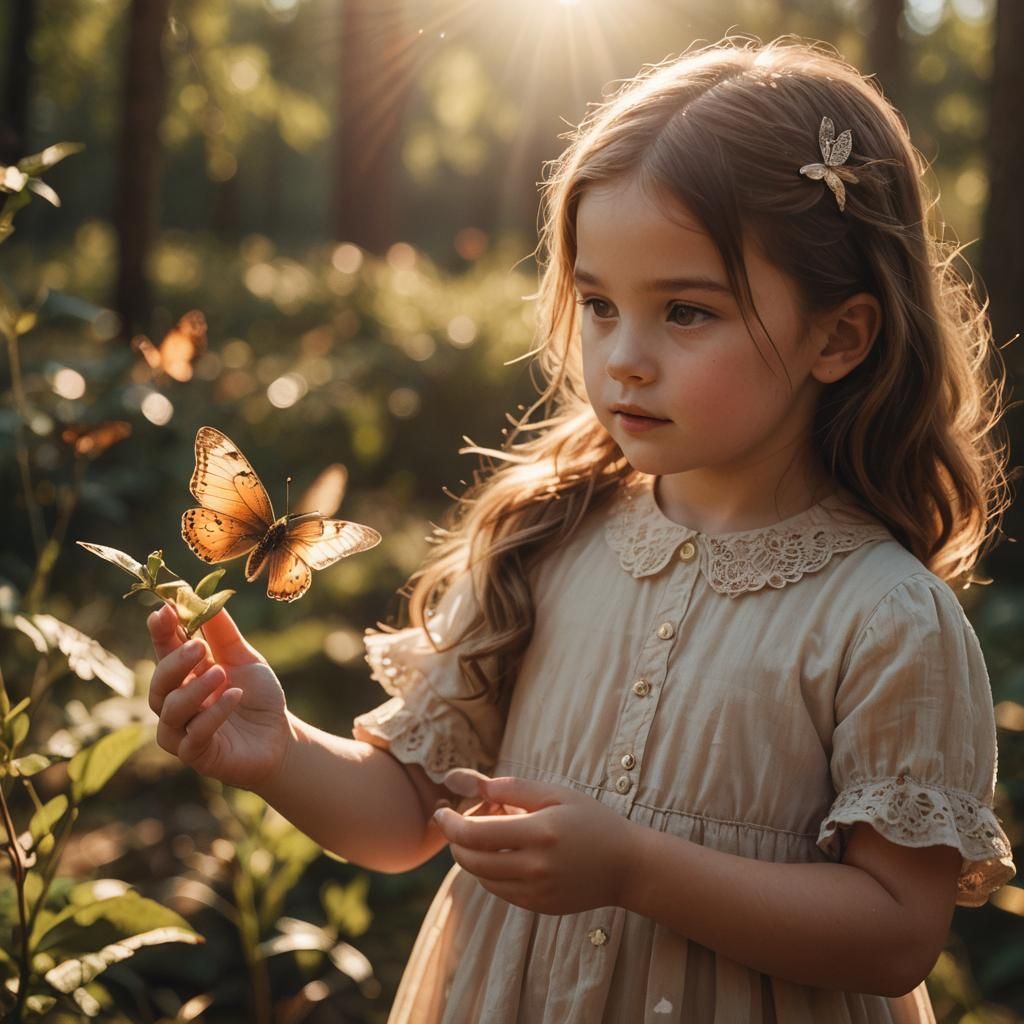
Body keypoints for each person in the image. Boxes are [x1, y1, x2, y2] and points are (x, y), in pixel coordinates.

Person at [146, 33, 1017, 1024]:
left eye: (685, 312)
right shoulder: (544, 538)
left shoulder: (882, 616)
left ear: (840, 334)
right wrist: (276, 750)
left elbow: (895, 931)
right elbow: (408, 817)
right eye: (598, 304)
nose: (623, 359)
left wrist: (637, 869)